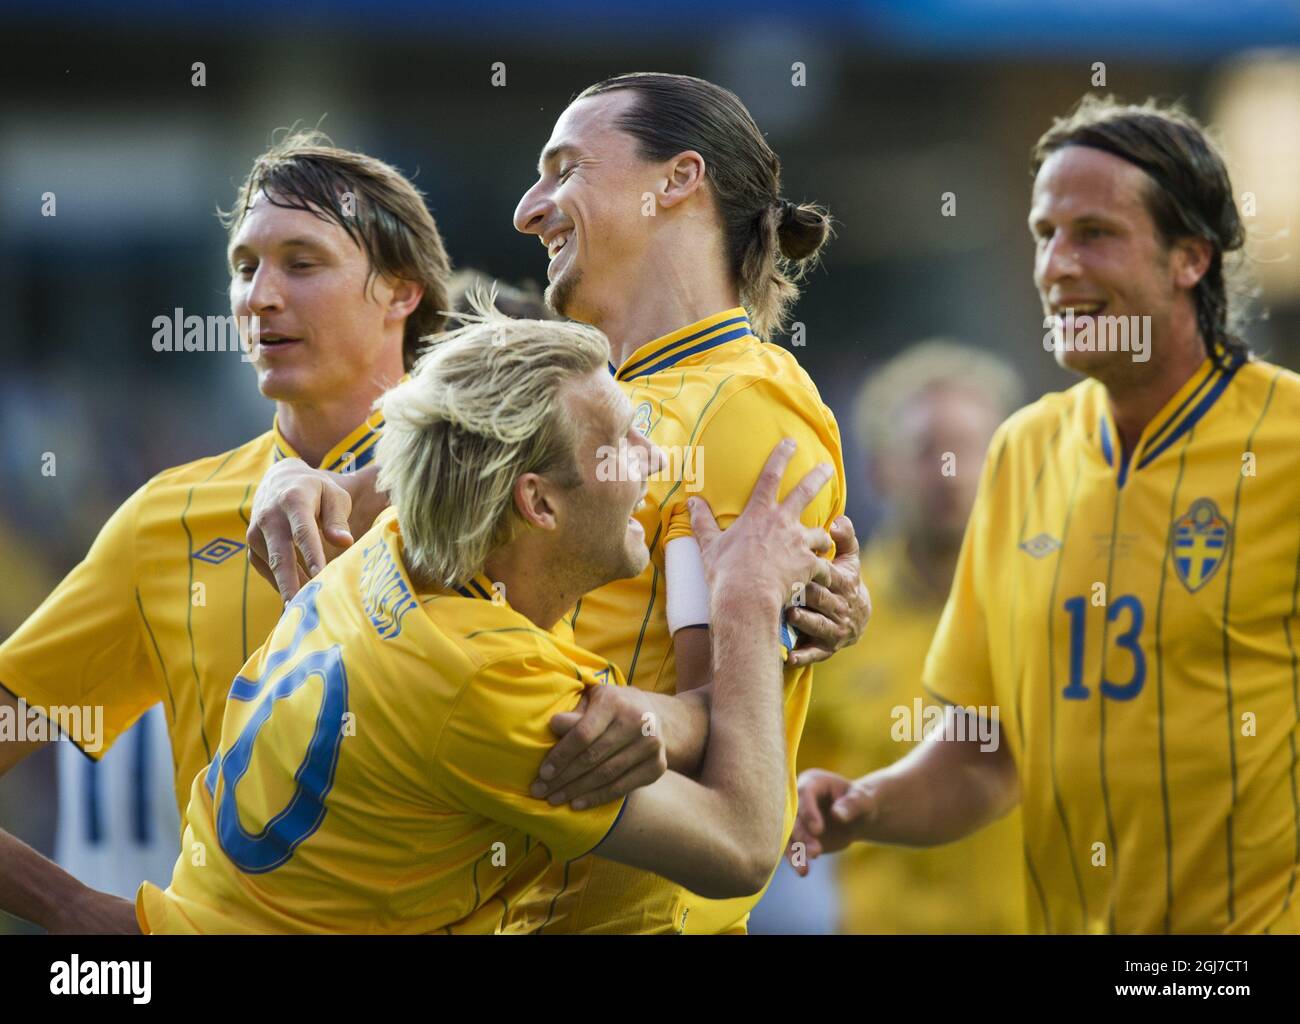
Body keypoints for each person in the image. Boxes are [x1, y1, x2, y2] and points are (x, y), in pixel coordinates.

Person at [248, 72, 870, 934]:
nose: (527, 209)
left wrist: (639, 709)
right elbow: (357, 510)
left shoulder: (749, 409)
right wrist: (293, 477)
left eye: (565, 169)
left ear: (677, 181)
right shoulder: (582, 393)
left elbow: (732, 736)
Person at [136, 307, 836, 933]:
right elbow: (740, 850)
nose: (657, 461)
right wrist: (747, 601)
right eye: (624, 443)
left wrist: (671, 705)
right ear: (538, 504)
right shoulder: (479, 679)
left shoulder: (390, 548)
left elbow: (602, 718)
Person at [794, 95, 1300, 935]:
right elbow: (986, 758)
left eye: (1094, 233)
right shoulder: (1024, 451)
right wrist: (867, 804)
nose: (1056, 264)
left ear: (1190, 259)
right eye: (1044, 233)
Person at [0, 128, 452, 932]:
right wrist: (69, 906)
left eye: (302, 263)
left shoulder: (502, 489)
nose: (258, 296)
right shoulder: (165, 519)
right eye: (245, 267)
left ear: (401, 290)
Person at [756, 340, 1027, 934]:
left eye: (970, 449)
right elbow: (784, 801)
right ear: (879, 469)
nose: (949, 474)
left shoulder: (1056, 605)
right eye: (927, 450)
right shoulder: (829, 618)